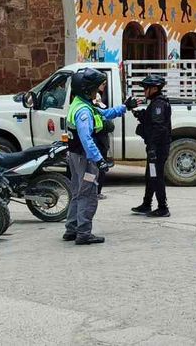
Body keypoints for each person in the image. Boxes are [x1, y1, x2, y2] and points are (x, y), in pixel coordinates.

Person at [64, 68, 139, 245]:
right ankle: (83, 233)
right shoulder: (83, 111)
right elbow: (86, 139)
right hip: (86, 159)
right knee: (88, 194)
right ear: (87, 89)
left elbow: (104, 113)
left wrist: (124, 107)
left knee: (77, 192)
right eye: (97, 87)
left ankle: (71, 228)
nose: (99, 90)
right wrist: (99, 160)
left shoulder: (82, 103)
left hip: (76, 156)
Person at [131, 75, 172, 217]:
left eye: (146, 88)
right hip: (154, 147)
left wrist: (153, 148)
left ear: (154, 88)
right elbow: (150, 120)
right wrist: (136, 113)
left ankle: (163, 208)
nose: (144, 91)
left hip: (158, 149)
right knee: (150, 176)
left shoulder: (159, 104)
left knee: (156, 176)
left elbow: (159, 127)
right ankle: (146, 204)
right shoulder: (155, 102)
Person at [93, 89, 113, 200]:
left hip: (101, 144)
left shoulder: (97, 112)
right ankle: (95, 192)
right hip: (99, 145)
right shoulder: (92, 113)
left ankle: (96, 191)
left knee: (98, 170)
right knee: (97, 170)